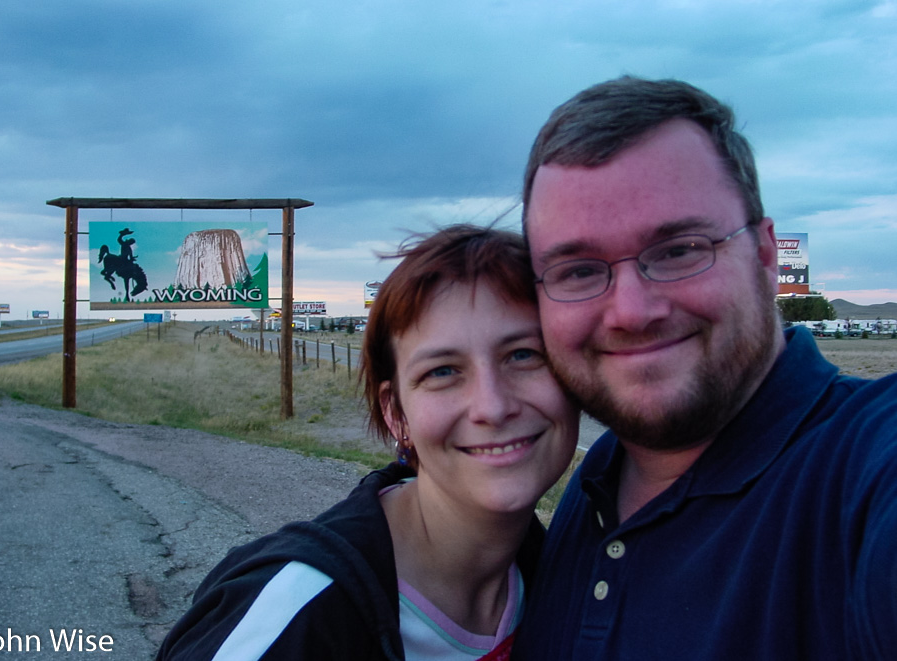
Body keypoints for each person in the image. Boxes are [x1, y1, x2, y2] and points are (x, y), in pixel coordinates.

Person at [512, 76, 897, 660]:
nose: (632, 312)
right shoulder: (591, 485)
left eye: (679, 250)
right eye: (579, 270)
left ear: (766, 257)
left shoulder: (864, 474)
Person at [156, 225, 580, 660]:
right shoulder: (299, 618)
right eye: (442, 371)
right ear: (396, 414)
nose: (492, 406)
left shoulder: (571, 581)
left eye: (525, 355)